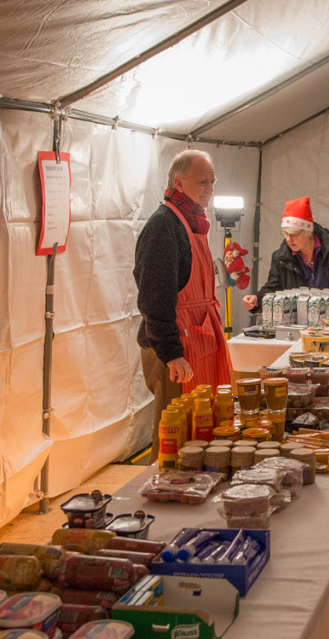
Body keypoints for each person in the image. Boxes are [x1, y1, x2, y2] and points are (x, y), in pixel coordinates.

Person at [133, 149, 232, 456]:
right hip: (174, 347)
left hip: (199, 339)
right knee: (174, 433)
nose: (210, 190)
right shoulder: (164, 226)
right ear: (178, 182)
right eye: (202, 182)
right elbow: (154, 299)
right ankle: (159, 498)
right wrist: (172, 353)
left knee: (201, 425)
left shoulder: (193, 222)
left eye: (213, 182)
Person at [242, 196, 329, 313]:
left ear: (308, 232)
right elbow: (273, 288)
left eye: (294, 234)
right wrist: (257, 299)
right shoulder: (280, 257)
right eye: (285, 234)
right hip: (304, 320)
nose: (288, 239)